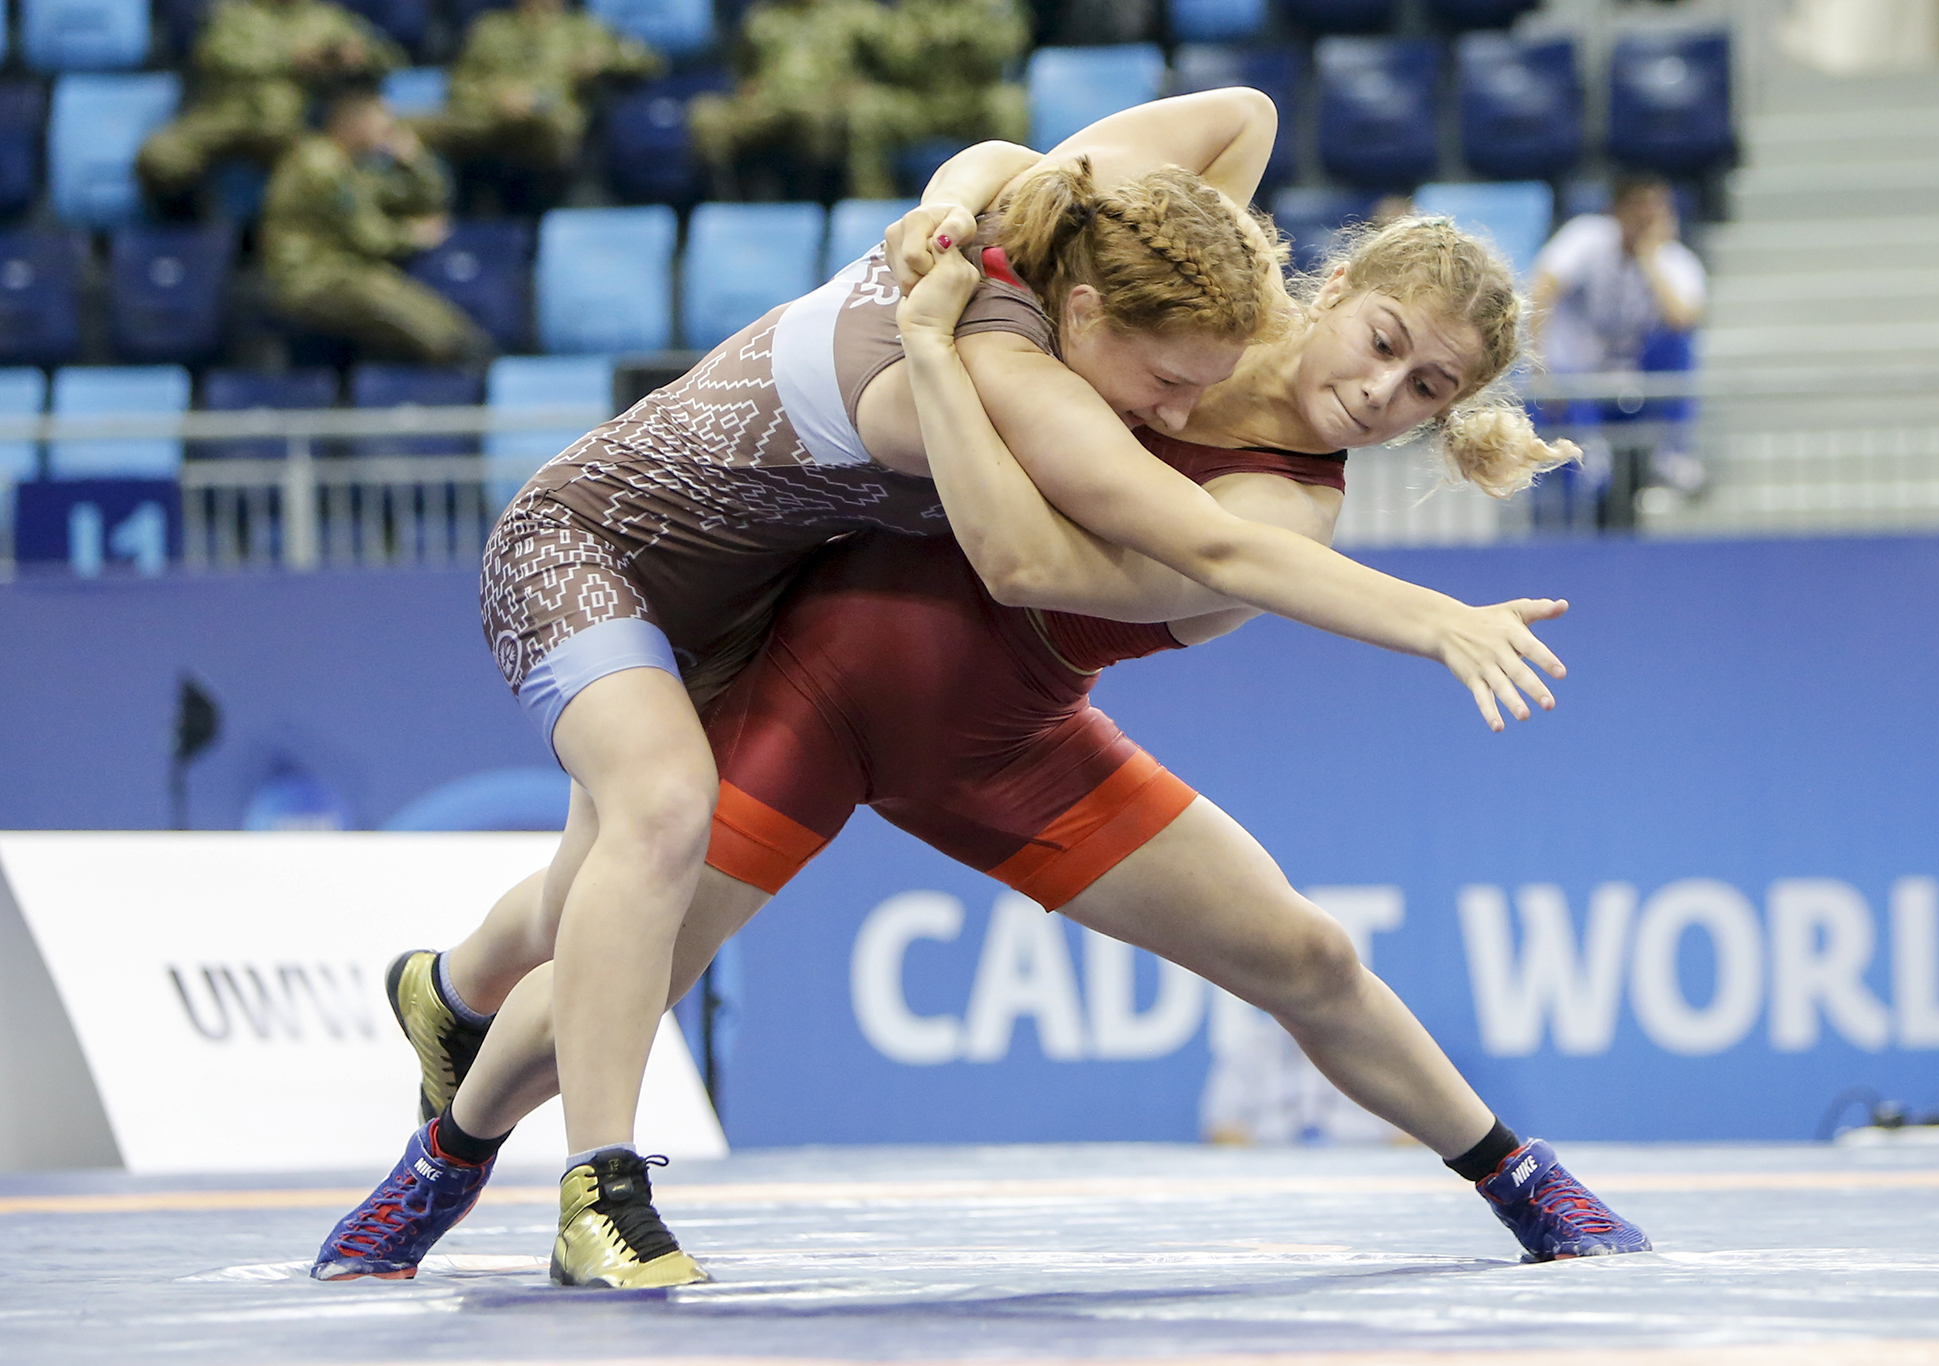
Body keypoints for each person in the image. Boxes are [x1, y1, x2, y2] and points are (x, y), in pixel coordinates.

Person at [310, 95, 1620, 1288]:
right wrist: (956, 195)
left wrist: (1437, 619)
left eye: (1429, 390)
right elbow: (1077, 163)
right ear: (1334, 290)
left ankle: (1518, 1177)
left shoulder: (1286, 508)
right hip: (823, 673)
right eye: (1387, 342)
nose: (1386, 392)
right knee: (629, 956)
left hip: (1007, 741)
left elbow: (1035, 560)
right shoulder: (1170, 275)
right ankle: (442, 1162)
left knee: (1308, 952)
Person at [261, 87, 494, 365]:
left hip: (345, 269)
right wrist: (415, 235)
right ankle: (470, 365)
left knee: (433, 313)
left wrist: (413, 160)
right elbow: (369, 237)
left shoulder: (357, 165)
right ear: (354, 124)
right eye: (380, 121)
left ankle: (472, 360)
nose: (389, 128)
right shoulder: (321, 164)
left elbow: (427, 199)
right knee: (411, 315)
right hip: (309, 277)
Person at [1529, 173, 1708, 517]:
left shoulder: (1676, 260)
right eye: (1639, 209)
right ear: (1617, 211)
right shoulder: (1587, 235)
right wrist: (1539, 366)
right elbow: (1542, 286)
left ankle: (1670, 456)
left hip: (1636, 383)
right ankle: (1592, 459)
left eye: (1656, 210)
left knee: (1680, 343)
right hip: (1579, 378)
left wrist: (1649, 259)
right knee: (1560, 383)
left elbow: (1683, 319)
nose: (1647, 219)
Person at [137, 0, 403, 212]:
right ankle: (189, 228)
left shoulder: (327, 19)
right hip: (222, 116)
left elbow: (391, 59)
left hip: (288, 125)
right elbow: (215, 54)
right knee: (161, 157)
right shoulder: (233, 12)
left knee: (321, 166)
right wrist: (294, 60)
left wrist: (361, 56)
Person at [425, 0, 663, 206]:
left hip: (550, 120)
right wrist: (497, 97)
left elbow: (647, 61)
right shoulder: (491, 28)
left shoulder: (583, 28)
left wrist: (603, 59)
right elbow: (458, 85)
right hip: (489, 117)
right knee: (412, 127)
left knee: (553, 125)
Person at [687, 0, 892, 198]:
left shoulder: (855, 14)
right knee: (706, 117)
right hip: (767, 103)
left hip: (825, 103)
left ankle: (820, 207)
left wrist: (860, 85)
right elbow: (743, 69)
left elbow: (890, 63)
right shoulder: (761, 17)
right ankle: (729, 208)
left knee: (815, 118)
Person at [842, 0, 1029, 200]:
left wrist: (967, 36)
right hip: (917, 104)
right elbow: (892, 57)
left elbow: (1008, 48)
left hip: (973, 103)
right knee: (868, 111)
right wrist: (921, 41)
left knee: (1008, 105)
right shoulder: (900, 7)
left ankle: (1013, 199)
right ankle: (874, 206)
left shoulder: (990, 6)